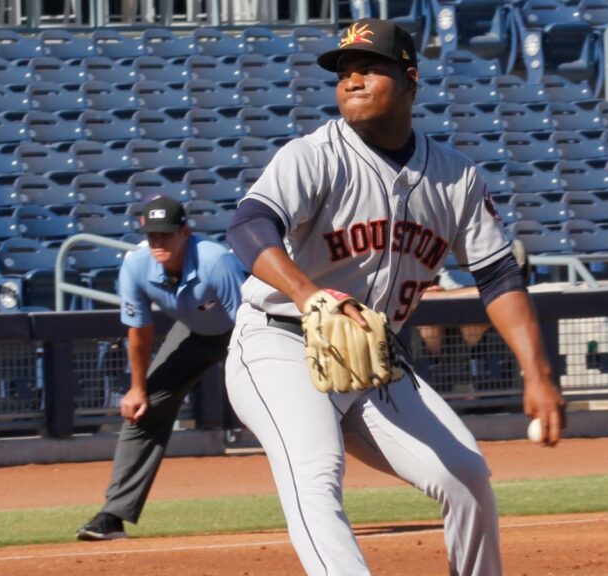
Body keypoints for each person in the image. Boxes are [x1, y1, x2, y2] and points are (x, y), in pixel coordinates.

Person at [224, 18, 566, 575]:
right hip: (279, 342)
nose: (351, 81)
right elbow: (248, 226)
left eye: (369, 69)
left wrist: (538, 373)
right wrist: (310, 296)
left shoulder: (455, 178)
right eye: (343, 72)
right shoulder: (313, 155)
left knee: (466, 477)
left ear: (410, 79)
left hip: (373, 357)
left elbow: (499, 276)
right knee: (315, 473)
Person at [76, 196, 246, 541]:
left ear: (185, 232)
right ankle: (112, 516)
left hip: (243, 333)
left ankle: (315, 504)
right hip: (194, 333)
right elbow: (139, 333)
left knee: (281, 411)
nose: (158, 242)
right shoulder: (137, 266)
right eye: (152, 235)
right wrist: (137, 388)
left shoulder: (217, 262)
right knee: (144, 407)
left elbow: (251, 321)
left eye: (166, 234)